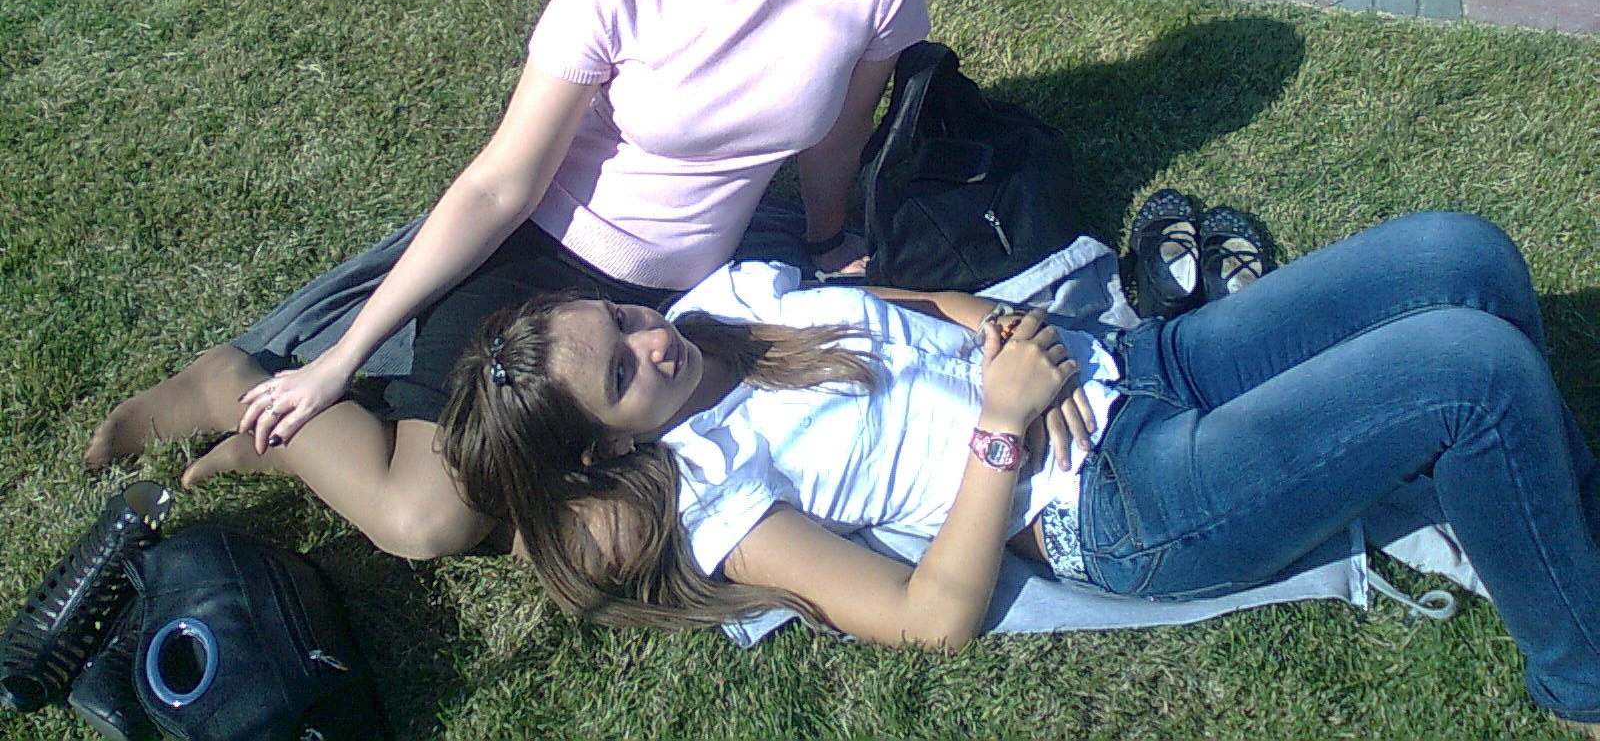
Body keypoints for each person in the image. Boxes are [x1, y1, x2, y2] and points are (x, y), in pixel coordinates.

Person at [85, 0, 930, 560]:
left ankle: (304, 451)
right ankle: (230, 385)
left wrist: (827, 237)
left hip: (667, 308)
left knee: (608, 514)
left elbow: (841, 134)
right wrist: (340, 360)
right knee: (428, 523)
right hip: (534, 265)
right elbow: (499, 184)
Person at [437, 212, 1600, 733]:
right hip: (1127, 503)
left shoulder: (726, 301)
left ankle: (1564, 531)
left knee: (1460, 255)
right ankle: (1582, 684)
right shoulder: (714, 494)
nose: (652, 340)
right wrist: (1000, 425)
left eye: (622, 317)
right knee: (1467, 371)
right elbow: (926, 621)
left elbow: (915, 307)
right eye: (624, 372)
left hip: (1138, 364)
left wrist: (997, 327)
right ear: (608, 447)